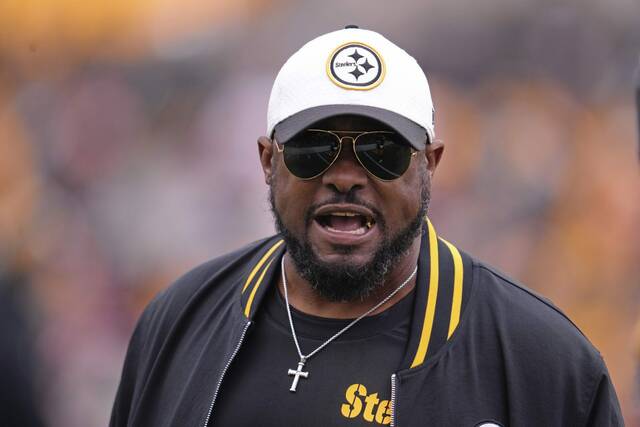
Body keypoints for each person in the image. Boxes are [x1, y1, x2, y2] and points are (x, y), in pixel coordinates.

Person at [110, 26, 623, 426]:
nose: (346, 177)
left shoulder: (540, 360)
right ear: (268, 161)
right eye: (315, 148)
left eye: (383, 151)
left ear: (431, 165)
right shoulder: (180, 320)